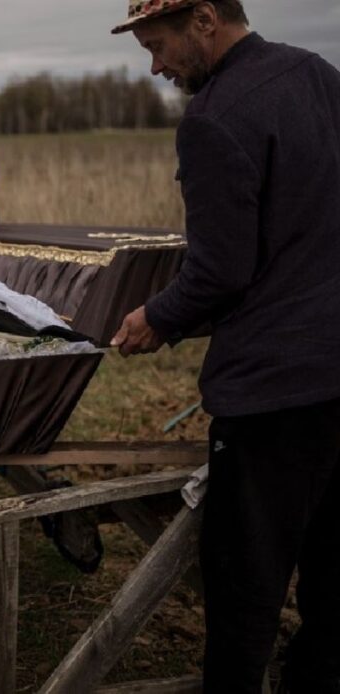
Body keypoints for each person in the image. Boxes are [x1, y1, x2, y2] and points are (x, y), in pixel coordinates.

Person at [109, 1, 340, 691]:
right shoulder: (320, 75)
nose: (156, 67)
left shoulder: (213, 119)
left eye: (159, 45)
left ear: (205, 19)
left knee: (245, 591)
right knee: (333, 574)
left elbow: (220, 270)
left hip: (275, 397)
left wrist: (157, 315)